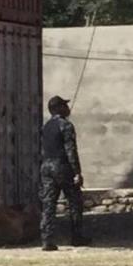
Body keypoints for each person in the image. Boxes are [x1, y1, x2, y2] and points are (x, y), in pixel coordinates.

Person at [40, 95, 89, 251]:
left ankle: (47, 240)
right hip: (62, 166)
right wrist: (77, 173)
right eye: (64, 106)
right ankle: (77, 236)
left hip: (46, 166)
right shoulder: (66, 125)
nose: (68, 108)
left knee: (49, 204)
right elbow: (70, 150)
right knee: (75, 202)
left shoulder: (46, 126)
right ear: (58, 108)